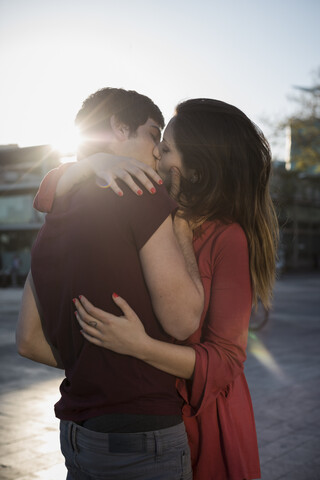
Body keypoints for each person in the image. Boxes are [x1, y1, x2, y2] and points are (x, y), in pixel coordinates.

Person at [34, 98, 279, 480]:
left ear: (196, 167)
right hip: (150, 414)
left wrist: (139, 347)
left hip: (203, 419)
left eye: (165, 148)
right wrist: (91, 164)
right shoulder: (148, 217)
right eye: (156, 142)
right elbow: (50, 195)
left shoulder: (226, 237)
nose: (155, 154)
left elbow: (227, 360)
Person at [16, 88, 205, 480]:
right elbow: (184, 320)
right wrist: (182, 226)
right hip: (141, 435)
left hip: (77, 436)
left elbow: (29, 341)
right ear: (120, 128)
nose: (158, 151)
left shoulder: (51, 220)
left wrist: (96, 364)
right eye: (154, 135)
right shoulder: (141, 193)